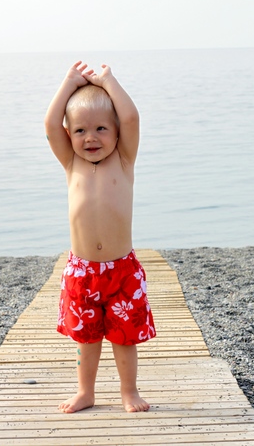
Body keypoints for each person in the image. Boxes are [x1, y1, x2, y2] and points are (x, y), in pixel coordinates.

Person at [44, 61, 156, 413]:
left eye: (101, 129)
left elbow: (132, 118)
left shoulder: (123, 160)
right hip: (82, 271)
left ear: (117, 132)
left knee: (124, 338)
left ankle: (129, 391)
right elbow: (50, 125)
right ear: (69, 135)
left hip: (122, 270)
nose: (90, 138)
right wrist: (68, 83)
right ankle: (85, 392)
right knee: (86, 338)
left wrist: (108, 80)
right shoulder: (71, 163)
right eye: (80, 131)